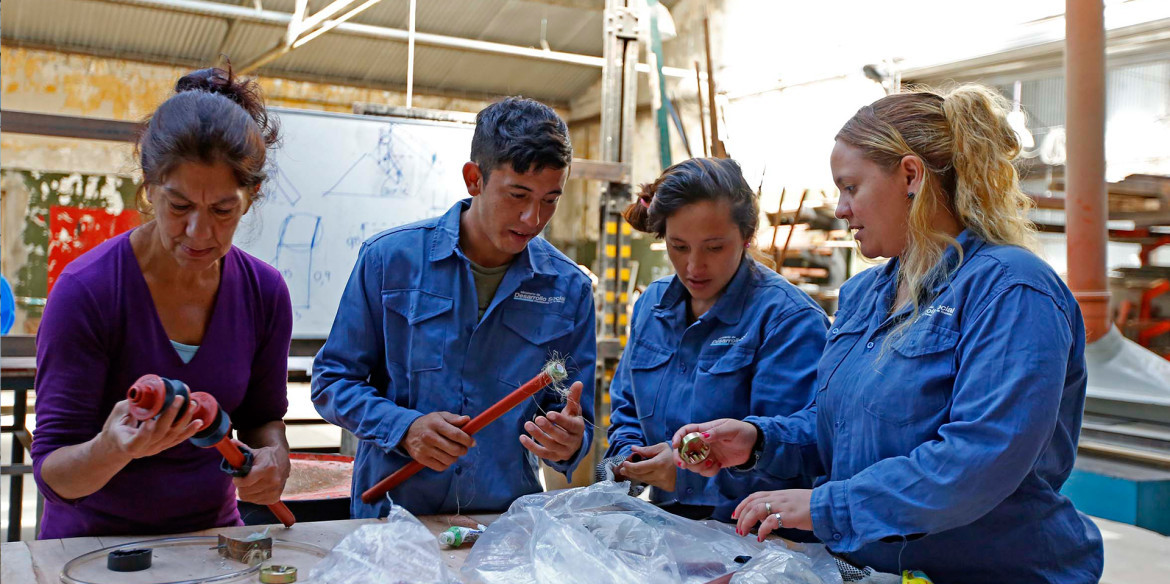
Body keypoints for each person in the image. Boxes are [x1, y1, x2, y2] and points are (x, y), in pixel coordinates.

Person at [673, 85, 1104, 583]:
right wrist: (759, 440)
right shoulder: (864, 294)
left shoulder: (1011, 290)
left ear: (910, 176)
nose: (839, 208)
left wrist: (828, 507)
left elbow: (978, 459)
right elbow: (846, 430)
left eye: (850, 187)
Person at [31, 67, 293, 539]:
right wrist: (112, 449)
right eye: (178, 206)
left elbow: (262, 419)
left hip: (212, 541)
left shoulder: (265, 293)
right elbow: (54, 474)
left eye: (222, 210)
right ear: (149, 187)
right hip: (93, 550)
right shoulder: (88, 291)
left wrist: (274, 459)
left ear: (251, 198)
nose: (198, 232)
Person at [312, 96, 596, 518]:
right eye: (517, 194)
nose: (533, 218)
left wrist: (569, 442)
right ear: (474, 178)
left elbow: (573, 415)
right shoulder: (390, 261)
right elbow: (332, 381)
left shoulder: (568, 288)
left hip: (500, 526)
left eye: (550, 200)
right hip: (393, 516)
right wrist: (403, 428)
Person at [602, 158, 828, 525]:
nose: (694, 266)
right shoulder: (651, 306)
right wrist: (630, 458)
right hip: (665, 526)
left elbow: (797, 453)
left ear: (747, 236)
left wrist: (687, 475)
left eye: (714, 248)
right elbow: (626, 408)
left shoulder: (788, 320)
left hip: (756, 541)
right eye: (679, 246)